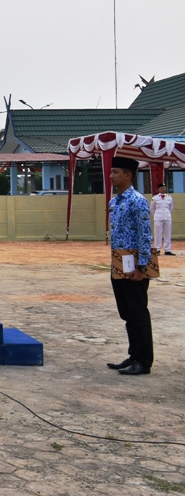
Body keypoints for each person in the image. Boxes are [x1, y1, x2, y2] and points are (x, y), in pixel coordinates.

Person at [106, 156, 156, 376]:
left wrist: (142, 267)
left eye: (115, 172)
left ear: (128, 175)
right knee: (126, 312)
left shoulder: (137, 201)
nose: (111, 175)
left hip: (135, 263)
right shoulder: (114, 202)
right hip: (118, 261)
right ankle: (133, 355)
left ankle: (144, 361)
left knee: (138, 312)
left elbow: (145, 235)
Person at [150, 183, 174, 256]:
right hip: (158, 217)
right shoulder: (155, 198)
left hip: (167, 217)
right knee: (158, 233)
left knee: (168, 233)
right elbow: (152, 208)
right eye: (162, 188)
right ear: (158, 189)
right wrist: (156, 215)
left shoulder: (169, 198)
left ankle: (167, 250)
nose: (163, 189)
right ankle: (157, 249)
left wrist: (167, 213)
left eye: (164, 188)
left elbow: (171, 207)